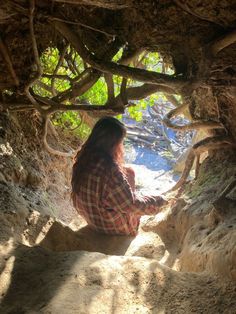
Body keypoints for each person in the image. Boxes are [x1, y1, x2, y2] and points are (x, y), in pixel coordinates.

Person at [71, 116, 167, 236]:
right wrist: (159, 201)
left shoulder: (83, 157)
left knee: (129, 172)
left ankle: (128, 196)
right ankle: (132, 208)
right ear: (113, 143)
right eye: (120, 142)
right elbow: (132, 206)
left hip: (90, 218)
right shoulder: (110, 170)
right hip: (109, 225)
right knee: (133, 199)